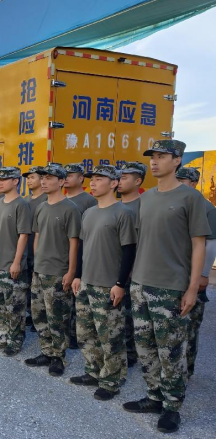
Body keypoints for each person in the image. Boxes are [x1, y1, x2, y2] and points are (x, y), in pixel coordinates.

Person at [123, 140, 210, 434]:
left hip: (171, 287)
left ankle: (172, 406)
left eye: (162, 157)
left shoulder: (190, 198)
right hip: (141, 284)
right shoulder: (145, 200)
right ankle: (154, 396)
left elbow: (199, 245)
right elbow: (141, 239)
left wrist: (192, 287)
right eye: (153, 157)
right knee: (145, 346)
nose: (155, 162)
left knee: (170, 351)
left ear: (177, 161)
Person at [70, 165, 136, 401]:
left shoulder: (123, 213)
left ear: (114, 183)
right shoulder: (89, 213)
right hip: (87, 282)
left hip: (108, 284)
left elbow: (129, 250)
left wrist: (120, 283)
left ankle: (111, 380)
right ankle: (93, 370)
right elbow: (82, 247)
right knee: (86, 332)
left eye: (100, 179)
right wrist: (77, 275)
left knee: (110, 336)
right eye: (93, 179)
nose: (93, 183)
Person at [25, 164, 81, 377]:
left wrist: (71, 271)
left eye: (50, 178)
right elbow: (37, 236)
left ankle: (58, 356)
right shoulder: (41, 207)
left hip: (58, 271)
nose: (44, 181)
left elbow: (74, 242)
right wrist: (37, 261)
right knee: (39, 314)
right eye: (43, 178)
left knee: (58, 316)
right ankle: (46, 351)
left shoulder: (70, 208)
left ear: (61, 181)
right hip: (40, 270)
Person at [175, 167, 216, 379]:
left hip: (195, 273)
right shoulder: (180, 203)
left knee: (191, 326)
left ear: (192, 182)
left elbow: (210, 244)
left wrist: (203, 273)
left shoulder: (206, 207)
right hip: (178, 272)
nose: (180, 183)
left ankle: (187, 369)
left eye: (183, 180)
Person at [0, 167, 32, 355]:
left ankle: (15, 341)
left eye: (6, 179)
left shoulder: (20, 205)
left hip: (11, 265)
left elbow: (23, 235)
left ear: (16, 181)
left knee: (15, 306)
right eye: (0, 178)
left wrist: (16, 262)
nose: (1, 181)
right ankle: (2, 337)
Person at [63, 163, 97, 348]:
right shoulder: (60, 199)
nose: (67, 177)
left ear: (81, 178)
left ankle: (77, 335)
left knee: (78, 297)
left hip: (79, 254)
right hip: (60, 256)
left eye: (71, 174)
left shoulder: (88, 201)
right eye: (65, 174)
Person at [117, 161, 147, 367]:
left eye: (125, 177)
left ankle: (130, 352)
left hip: (134, 269)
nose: (119, 181)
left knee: (130, 314)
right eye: (119, 177)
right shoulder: (112, 205)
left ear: (138, 181)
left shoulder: (144, 206)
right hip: (111, 268)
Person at [22, 166, 47, 331]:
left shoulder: (47, 200)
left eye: (33, 177)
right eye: (28, 178)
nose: (29, 181)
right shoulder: (25, 201)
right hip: (25, 250)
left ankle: (41, 317)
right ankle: (29, 314)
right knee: (26, 285)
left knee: (40, 288)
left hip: (40, 252)